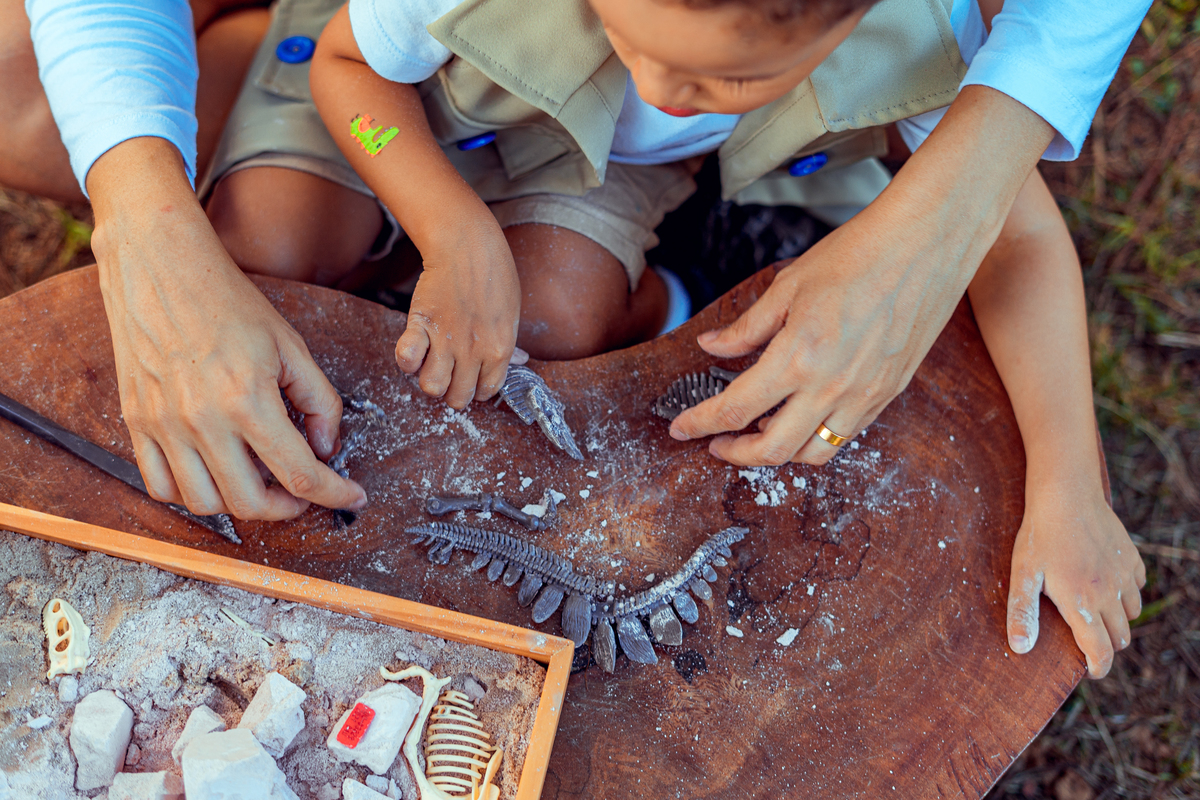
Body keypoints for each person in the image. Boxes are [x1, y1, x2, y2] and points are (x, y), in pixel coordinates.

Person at [2, 0, 1147, 674]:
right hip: (397, 94)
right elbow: (355, 70)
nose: (664, 83)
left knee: (554, 318)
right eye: (627, 29)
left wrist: (1070, 482)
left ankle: (675, 298)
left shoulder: (921, 36)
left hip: (588, 158)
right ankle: (241, 44)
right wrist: (451, 231)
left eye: (729, 79)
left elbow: (1014, 237)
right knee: (274, 251)